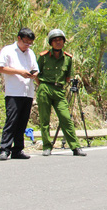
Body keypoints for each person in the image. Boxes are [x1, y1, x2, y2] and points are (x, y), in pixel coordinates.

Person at [36, 29, 86, 157]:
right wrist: (41, 85)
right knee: (44, 119)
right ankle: (47, 146)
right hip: (45, 87)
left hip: (59, 90)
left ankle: (75, 147)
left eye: (60, 40)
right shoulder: (44, 56)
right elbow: (36, 73)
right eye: (55, 40)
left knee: (66, 118)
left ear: (64, 42)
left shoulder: (68, 59)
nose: (58, 42)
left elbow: (68, 77)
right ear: (51, 43)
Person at [0, 27, 39, 160]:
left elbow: (35, 69)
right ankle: (5, 149)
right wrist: (20, 72)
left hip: (27, 92)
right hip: (14, 91)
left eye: (30, 43)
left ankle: (18, 149)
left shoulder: (30, 53)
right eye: (25, 42)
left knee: (22, 122)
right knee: (12, 121)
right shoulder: (8, 50)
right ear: (19, 38)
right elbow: (2, 68)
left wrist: (34, 74)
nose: (27, 45)